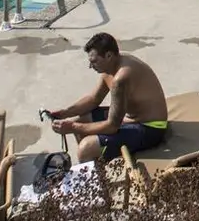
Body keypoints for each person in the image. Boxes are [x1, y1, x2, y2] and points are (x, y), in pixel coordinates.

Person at [45, 34, 170, 163]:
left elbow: (112, 126)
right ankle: (96, 163)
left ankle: (93, 172)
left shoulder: (121, 79)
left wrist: (72, 127)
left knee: (86, 148)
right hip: (130, 118)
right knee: (83, 119)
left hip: (150, 128)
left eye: (94, 61)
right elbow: (94, 99)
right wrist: (65, 113)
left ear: (109, 56)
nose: (90, 66)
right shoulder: (114, 63)